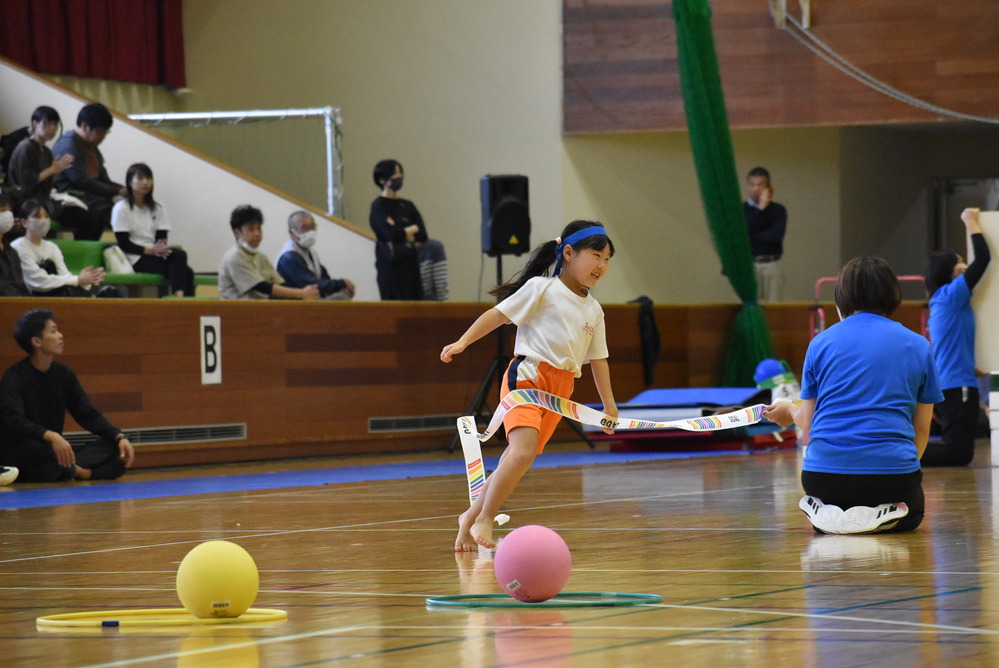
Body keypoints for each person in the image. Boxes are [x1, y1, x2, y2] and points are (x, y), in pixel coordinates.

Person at [441, 221, 618, 551]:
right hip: (527, 376)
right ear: (568, 253)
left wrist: (609, 407)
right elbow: (497, 315)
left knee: (516, 458)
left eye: (607, 259)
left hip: (560, 391)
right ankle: (486, 517)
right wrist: (462, 342)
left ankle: (469, 517)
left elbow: (599, 361)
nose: (602, 265)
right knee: (521, 453)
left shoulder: (594, 310)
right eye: (596, 255)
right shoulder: (542, 289)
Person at [764, 256, 943, 534]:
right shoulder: (919, 346)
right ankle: (883, 514)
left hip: (822, 478)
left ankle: (823, 513)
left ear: (841, 299)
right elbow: (921, 429)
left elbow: (808, 422)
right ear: (893, 296)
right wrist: (897, 467)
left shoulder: (819, 344)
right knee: (913, 515)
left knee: (831, 502)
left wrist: (788, 411)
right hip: (891, 478)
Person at [0, 308, 135, 482]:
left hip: (54, 453)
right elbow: (13, 420)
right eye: (54, 331)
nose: (61, 336)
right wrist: (50, 435)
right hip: (27, 450)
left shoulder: (63, 373)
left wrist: (119, 437)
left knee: (117, 446)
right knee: (37, 450)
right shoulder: (15, 377)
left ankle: (75, 470)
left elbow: (87, 414)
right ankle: (80, 472)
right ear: (36, 341)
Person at [921, 208, 991, 466]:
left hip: (952, 383)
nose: (965, 266)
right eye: (959, 262)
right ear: (948, 271)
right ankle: (901, 457)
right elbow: (983, 259)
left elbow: (951, 344)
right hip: (956, 386)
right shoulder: (951, 295)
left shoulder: (944, 301)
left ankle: (904, 454)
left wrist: (971, 367)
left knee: (959, 450)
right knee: (959, 453)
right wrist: (969, 221)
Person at [6, 106, 104, 241]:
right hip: (27, 203)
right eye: (47, 123)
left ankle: (85, 255)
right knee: (89, 221)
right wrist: (52, 170)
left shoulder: (46, 151)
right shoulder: (25, 147)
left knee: (97, 218)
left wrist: (56, 172)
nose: (52, 128)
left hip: (45, 200)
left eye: (55, 125)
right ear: (35, 124)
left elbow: (47, 184)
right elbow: (26, 183)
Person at [110, 163, 195, 297]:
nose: (146, 182)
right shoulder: (121, 208)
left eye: (148, 179)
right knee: (185, 271)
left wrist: (159, 249)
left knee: (181, 259)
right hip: (135, 257)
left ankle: (182, 302)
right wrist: (149, 250)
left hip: (155, 254)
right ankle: (180, 302)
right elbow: (123, 243)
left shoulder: (157, 208)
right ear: (129, 183)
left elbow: (161, 238)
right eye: (140, 178)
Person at [370, 159, 449, 300]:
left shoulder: (407, 205)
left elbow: (422, 234)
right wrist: (410, 230)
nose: (398, 178)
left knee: (415, 304)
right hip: (390, 267)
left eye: (400, 173)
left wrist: (401, 231)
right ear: (382, 179)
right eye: (394, 174)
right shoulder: (378, 206)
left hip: (411, 264)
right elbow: (390, 234)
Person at [218, 205, 320, 300]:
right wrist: (301, 293)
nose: (257, 233)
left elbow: (280, 284)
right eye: (251, 229)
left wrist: (307, 292)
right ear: (237, 233)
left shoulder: (261, 257)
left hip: (260, 309)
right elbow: (262, 287)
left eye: (258, 228)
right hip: (237, 312)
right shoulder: (234, 257)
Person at [52, 102, 125, 230]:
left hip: (90, 196)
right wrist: (117, 191)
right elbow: (81, 181)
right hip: (72, 197)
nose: (103, 137)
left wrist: (126, 190)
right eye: (100, 132)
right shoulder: (69, 145)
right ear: (85, 126)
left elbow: (104, 179)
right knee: (114, 213)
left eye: (105, 132)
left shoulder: (91, 145)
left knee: (129, 206)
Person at [11, 200, 105, 297]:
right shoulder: (18, 247)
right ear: (24, 222)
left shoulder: (52, 247)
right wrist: (78, 279)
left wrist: (85, 280)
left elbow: (64, 275)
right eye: (38, 217)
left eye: (46, 216)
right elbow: (38, 281)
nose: (44, 220)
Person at [275, 210, 355, 300]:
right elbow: (312, 284)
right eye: (304, 228)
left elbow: (324, 279)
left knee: (341, 294)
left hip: (310, 302)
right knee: (341, 298)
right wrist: (342, 283)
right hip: (292, 306)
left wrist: (340, 287)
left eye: (312, 227)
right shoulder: (289, 257)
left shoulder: (310, 253)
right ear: (292, 233)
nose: (310, 232)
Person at [743, 166, 787, 303]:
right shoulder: (742, 209)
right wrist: (760, 209)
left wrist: (751, 234)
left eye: (759, 185)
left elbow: (775, 237)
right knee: (751, 305)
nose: (755, 189)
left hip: (771, 263)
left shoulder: (778, 210)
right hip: (750, 264)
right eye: (752, 185)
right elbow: (743, 231)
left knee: (774, 306)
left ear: (767, 187)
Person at [0, 194, 29, 297]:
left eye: (9, 211)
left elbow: (20, 285)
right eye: (3, 211)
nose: (7, 215)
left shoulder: (12, 252)